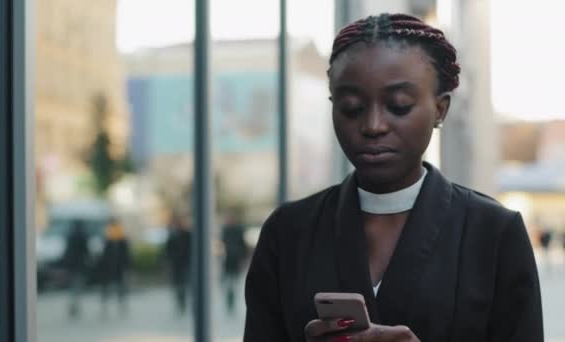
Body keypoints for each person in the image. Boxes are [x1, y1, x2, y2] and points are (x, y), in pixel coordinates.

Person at [244, 13, 543, 342]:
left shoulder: (494, 233)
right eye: (351, 107)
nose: (373, 125)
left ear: (440, 110)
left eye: (399, 106)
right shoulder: (288, 233)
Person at [98, 218, 131, 317]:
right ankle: (111, 305)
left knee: (116, 287)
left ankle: (117, 305)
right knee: (114, 287)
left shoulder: (112, 236)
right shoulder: (111, 236)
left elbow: (126, 254)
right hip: (111, 267)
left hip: (115, 267)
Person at [220, 207, 249, 315]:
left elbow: (243, 245)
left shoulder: (237, 230)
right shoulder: (225, 230)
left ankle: (231, 302)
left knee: (233, 283)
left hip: (235, 260)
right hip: (228, 261)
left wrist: (242, 258)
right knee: (228, 284)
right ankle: (229, 302)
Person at [165, 213, 192, 315]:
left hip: (185, 264)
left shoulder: (187, 234)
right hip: (176, 264)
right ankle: (180, 303)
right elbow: (168, 250)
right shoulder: (172, 235)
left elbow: (191, 249)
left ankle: (183, 302)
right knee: (177, 285)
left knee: (185, 285)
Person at [63, 219, 90, 319]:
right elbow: (86, 252)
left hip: (71, 265)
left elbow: (66, 251)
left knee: (72, 286)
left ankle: (73, 306)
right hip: (80, 265)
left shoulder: (70, 236)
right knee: (77, 286)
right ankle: (75, 306)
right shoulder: (83, 236)